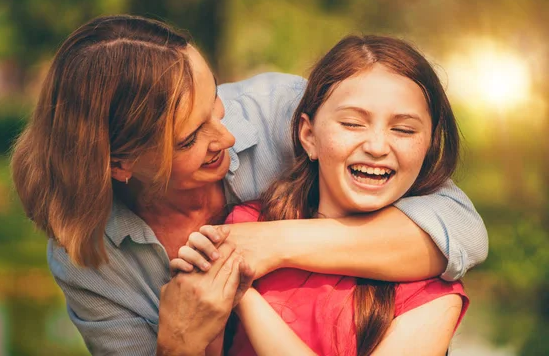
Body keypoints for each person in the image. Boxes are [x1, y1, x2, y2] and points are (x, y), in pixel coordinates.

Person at [10, 15, 487, 355]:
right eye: (191, 137)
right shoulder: (89, 259)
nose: (227, 135)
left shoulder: (279, 112)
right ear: (121, 164)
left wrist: (267, 243)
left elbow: (460, 232)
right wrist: (177, 343)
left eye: (215, 102)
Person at [172, 35, 469, 355]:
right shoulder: (243, 225)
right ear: (308, 135)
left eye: (404, 130)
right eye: (353, 124)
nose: (378, 147)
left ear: (429, 146)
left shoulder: (433, 290)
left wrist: (245, 298)